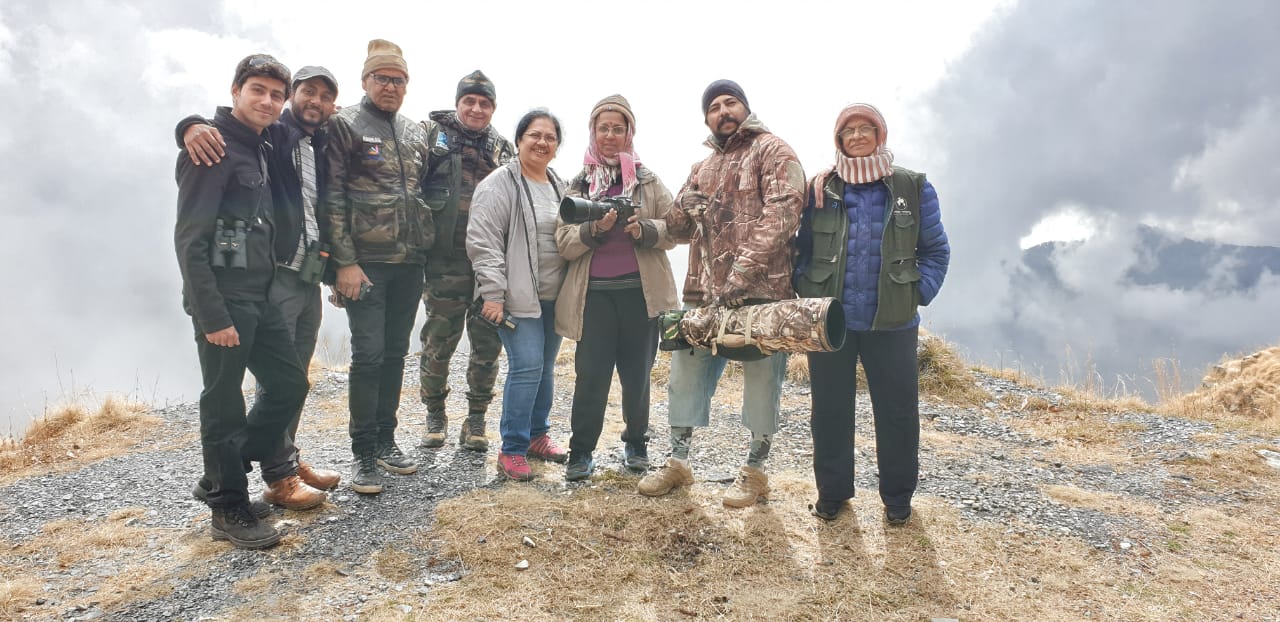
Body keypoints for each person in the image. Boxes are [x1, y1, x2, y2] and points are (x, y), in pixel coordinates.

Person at [177, 65, 344, 510]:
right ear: (237, 90)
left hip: (299, 276)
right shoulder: (264, 136)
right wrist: (190, 125)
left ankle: (240, 465)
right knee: (229, 396)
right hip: (251, 286)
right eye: (307, 92)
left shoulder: (295, 140)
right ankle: (257, 482)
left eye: (275, 93)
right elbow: (191, 239)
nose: (268, 101)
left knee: (290, 382)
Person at [638, 80, 805, 507]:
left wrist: (743, 271)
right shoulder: (702, 166)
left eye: (730, 102)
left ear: (745, 108)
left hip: (764, 292)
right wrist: (684, 204)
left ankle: (755, 471)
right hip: (703, 293)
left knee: (762, 382)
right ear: (707, 118)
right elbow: (676, 229)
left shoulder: (773, 150)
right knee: (684, 376)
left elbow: (784, 213)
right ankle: (678, 463)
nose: (723, 111)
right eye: (713, 107)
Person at [793, 103, 950, 525]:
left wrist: (917, 292)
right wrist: (805, 286)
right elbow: (799, 247)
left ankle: (897, 499)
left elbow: (936, 250)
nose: (858, 136)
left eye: (866, 129)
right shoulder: (820, 188)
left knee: (898, 412)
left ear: (881, 136)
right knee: (829, 410)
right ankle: (832, 493)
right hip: (831, 321)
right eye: (849, 131)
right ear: (839, 140)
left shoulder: (912, 187)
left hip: (893, 322)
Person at [324, 39, 434, 494]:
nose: (391, 86)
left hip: (410, 263)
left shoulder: (414, 131)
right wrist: (343, 264)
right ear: (365, 80)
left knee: (394, 353)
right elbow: (331, 197)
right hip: (365, 265)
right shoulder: (344, 124)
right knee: (367, 356)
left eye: (399, 79)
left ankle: (387, 439)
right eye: (383, 78)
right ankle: (364, 452)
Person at [555, 95, 678, 481]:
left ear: (630, 133)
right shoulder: (578, 184)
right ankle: (581, 451)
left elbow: (675, 228)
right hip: (593, 297)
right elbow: (563, 241)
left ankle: (636, 443)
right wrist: (595, 229)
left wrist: (645, 230)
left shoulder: (648, 181)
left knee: (637, 376)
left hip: (641, 296)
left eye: (618, 128)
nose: (610, 135)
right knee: (590, 376)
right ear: (592, 132)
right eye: (603, 128)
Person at [467, 109, 570, 481]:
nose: (542, 142)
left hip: (554, 296)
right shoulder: (499, 184)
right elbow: (484, 242)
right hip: (515, 296)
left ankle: (537, 436)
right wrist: (493, 294)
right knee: (526, 366)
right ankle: (511, 448)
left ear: (557, 146)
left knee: (544, 367)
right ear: (519, 140)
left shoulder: (560, 186)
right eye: (534, 135)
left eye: (550, 137)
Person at [417, 70, 516, 452]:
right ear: (458, 102)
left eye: (484, 103)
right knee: (438, 342)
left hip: (488, 267)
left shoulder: (503, 149)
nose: (476, 108)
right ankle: (435, 415)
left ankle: (476, 420)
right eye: (469, 101)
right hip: (444, 262)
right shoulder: (432, 137)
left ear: (493, 107)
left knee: (487, 345)